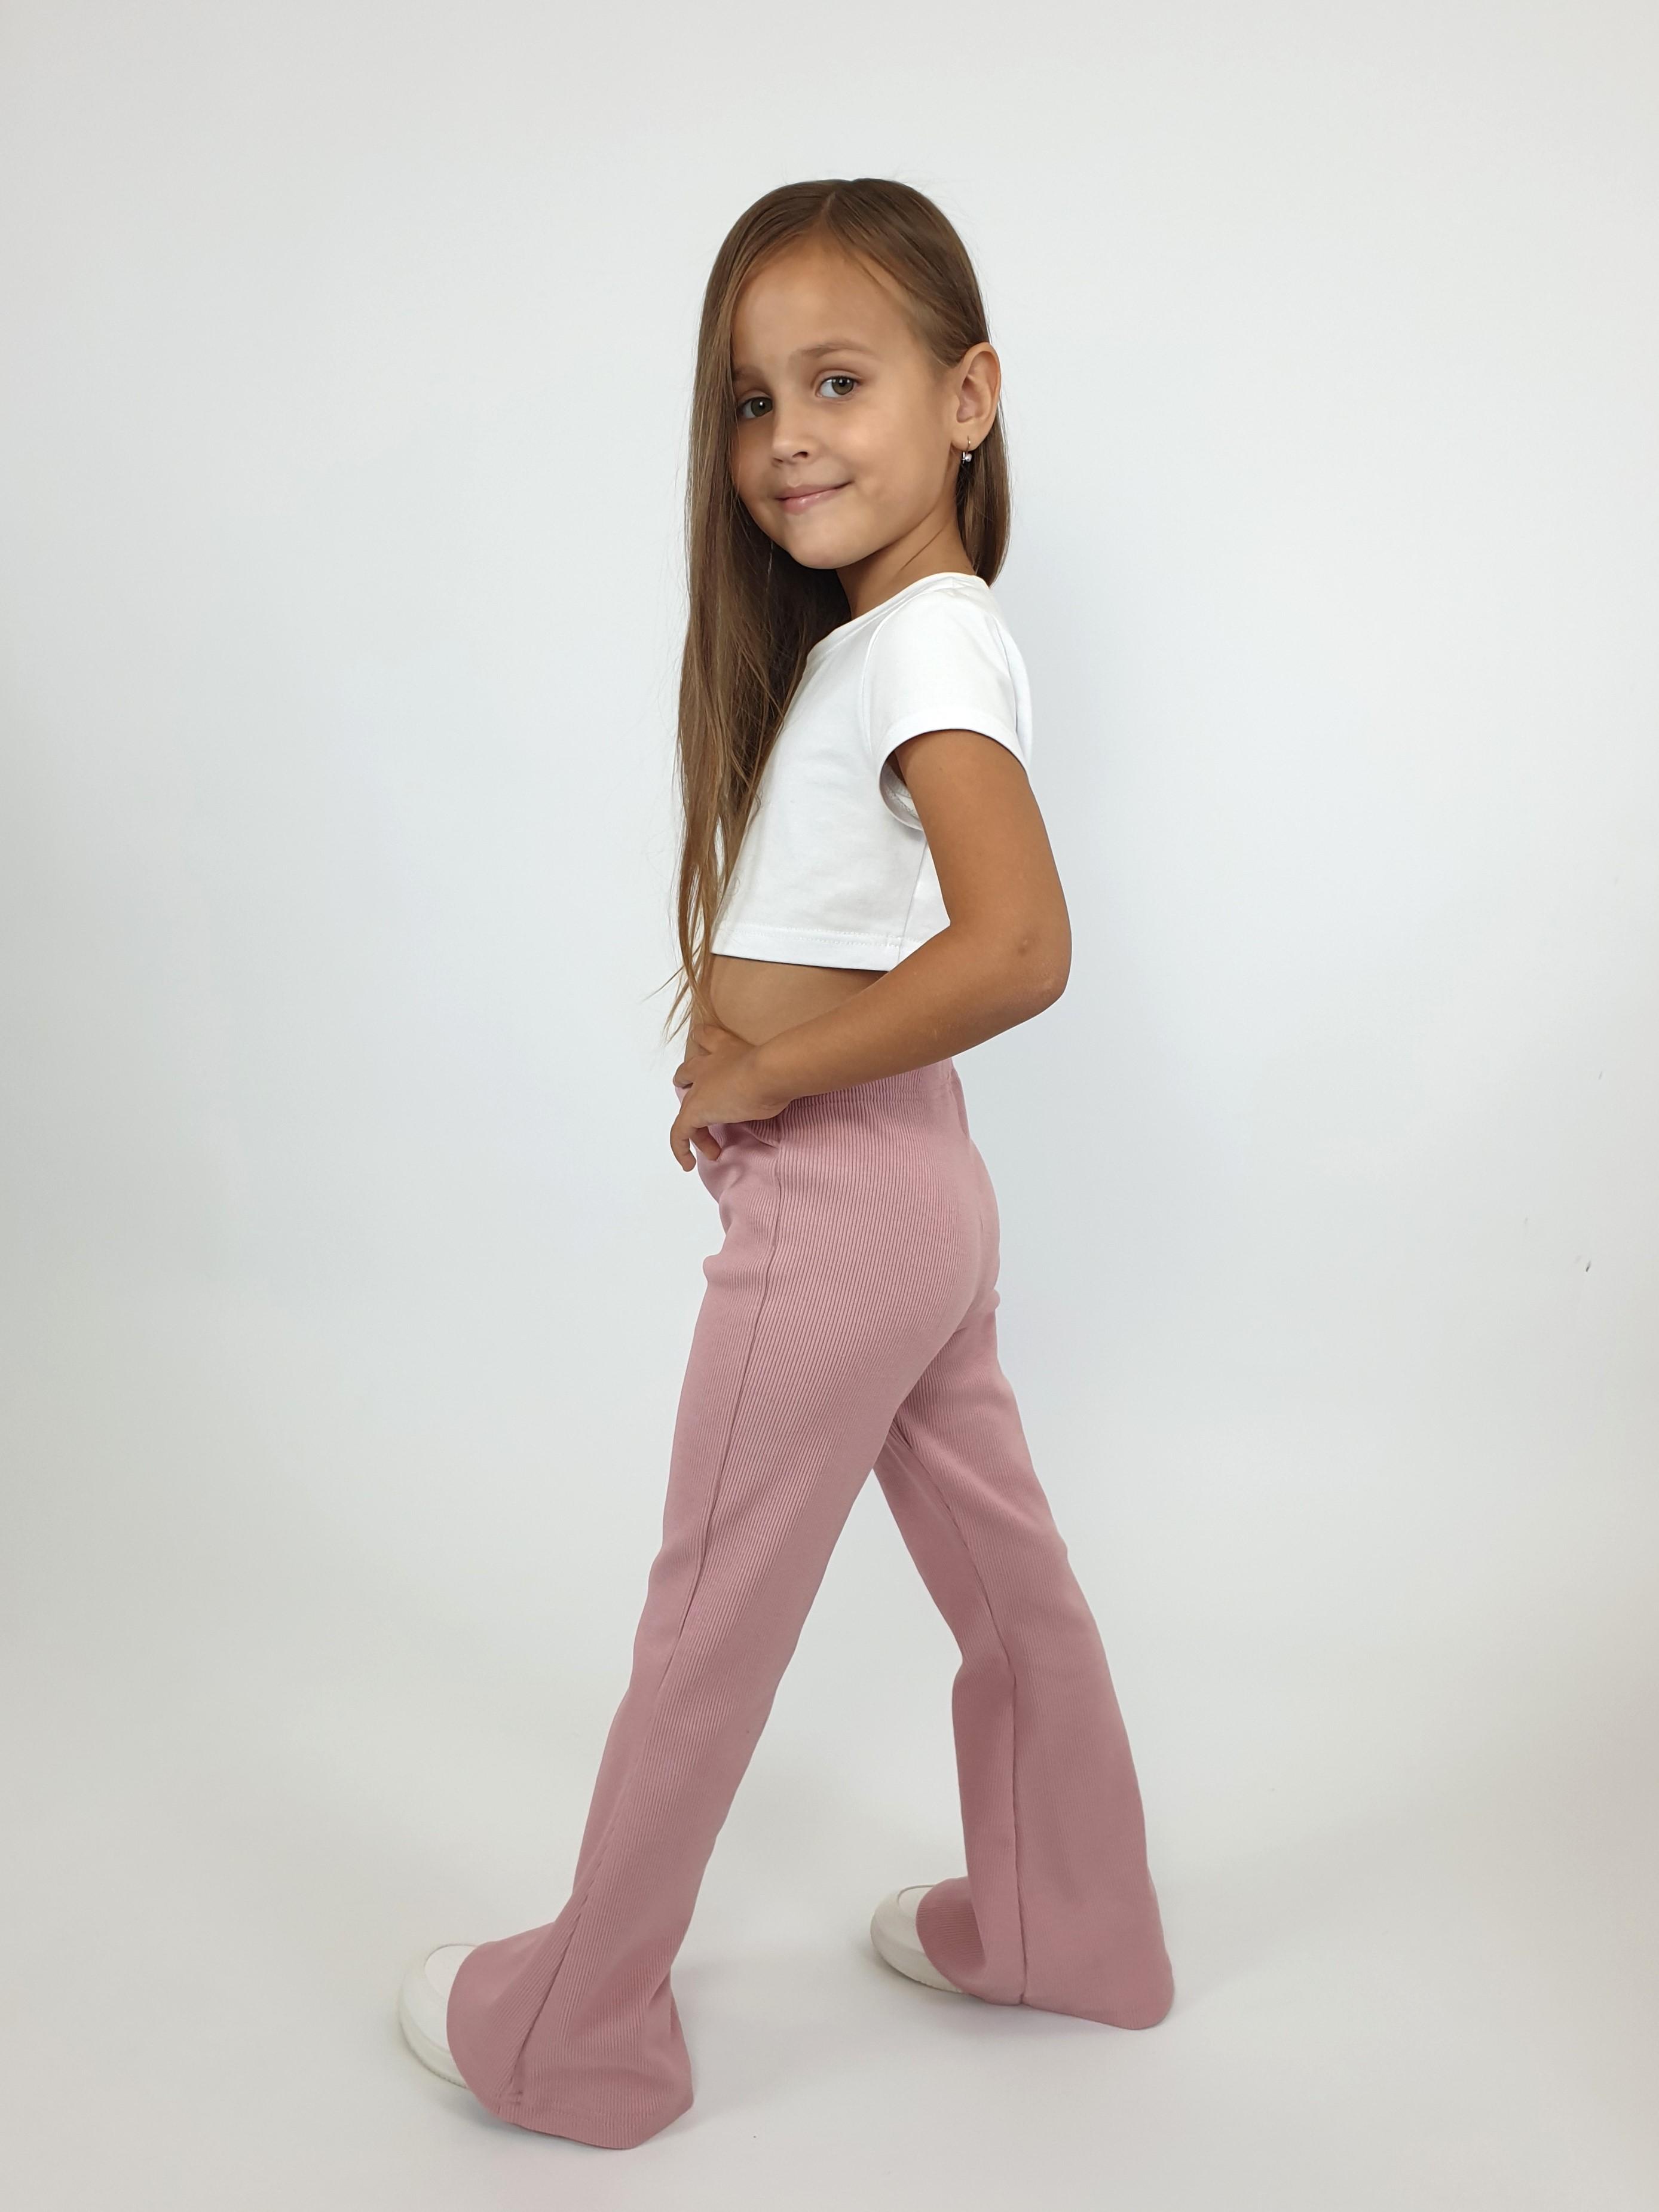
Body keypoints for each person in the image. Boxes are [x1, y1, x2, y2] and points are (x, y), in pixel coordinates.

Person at [396, 174, 1174, 2152]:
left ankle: (574, 2033)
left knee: (708, 1615)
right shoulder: (897, 640)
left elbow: (1020, 947)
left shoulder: (924, 648)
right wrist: (766, 1058)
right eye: (751, 401)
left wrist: (768, 1075)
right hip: (914, 1192)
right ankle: (1072, 1925)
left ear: (968, 397)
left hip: (841, 1201)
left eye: (840, 382)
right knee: (1009, 1578)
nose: (786, 439)